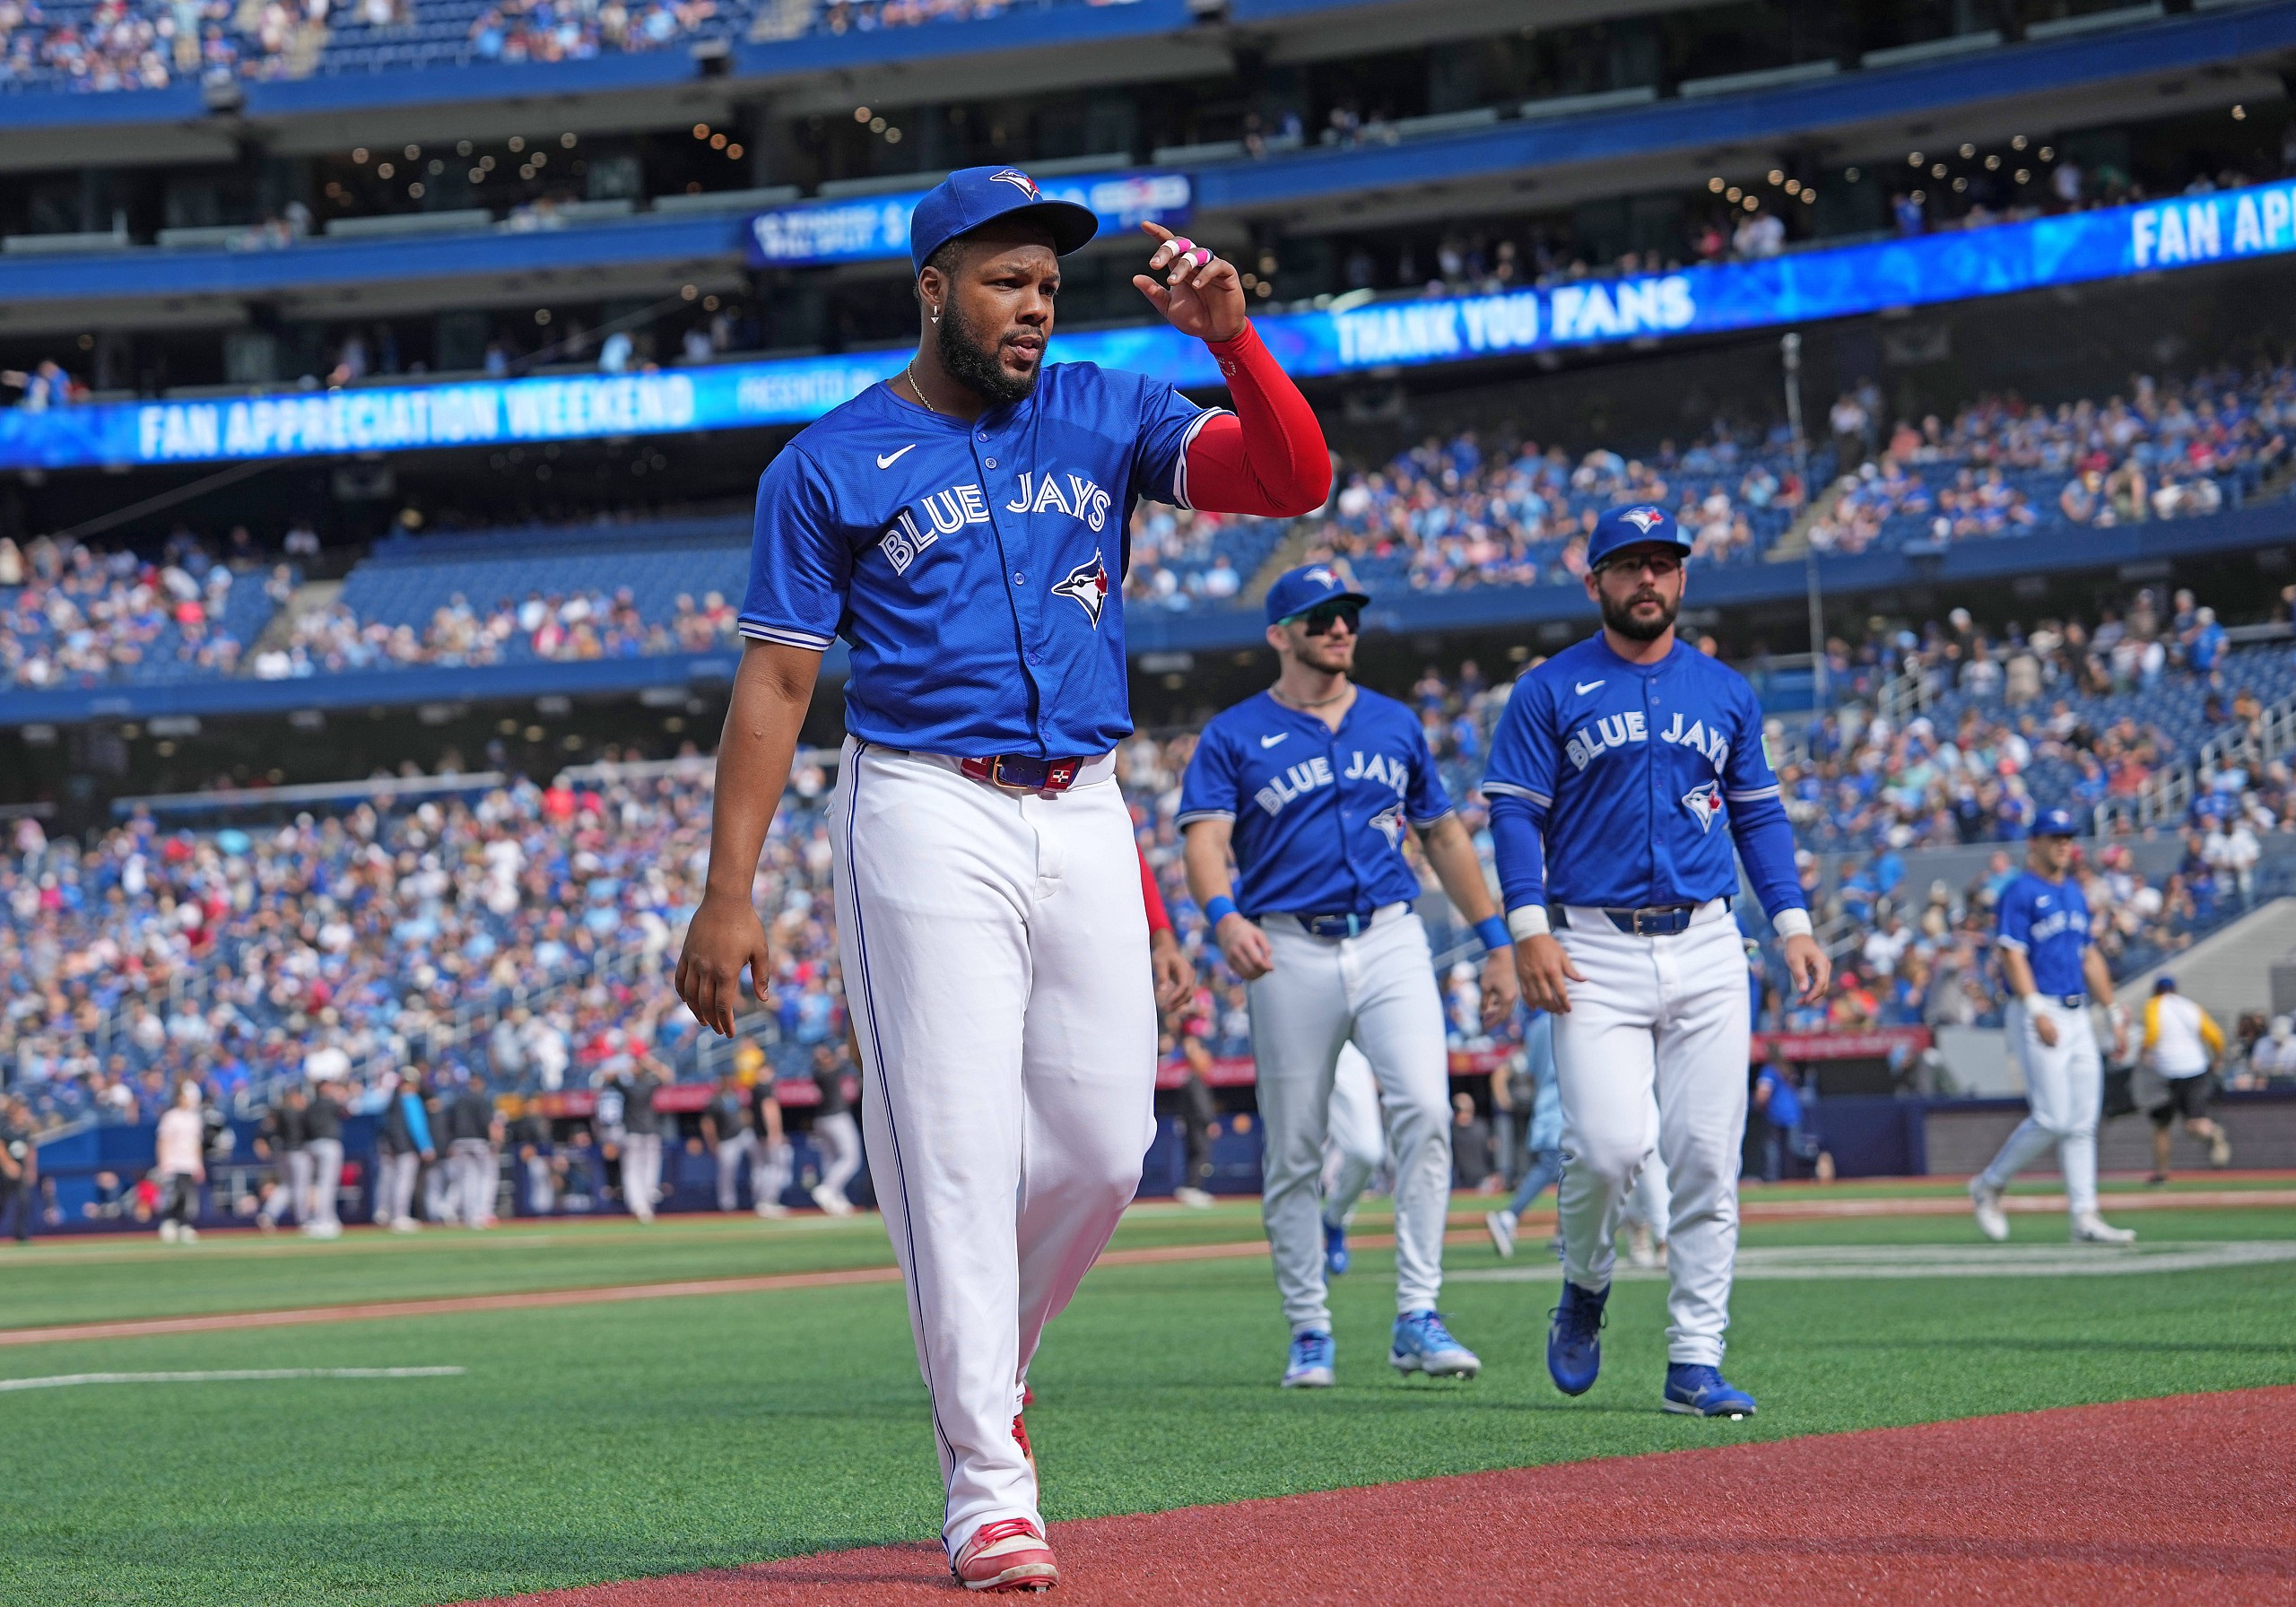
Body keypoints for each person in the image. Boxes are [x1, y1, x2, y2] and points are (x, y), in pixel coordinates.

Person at [674, 165, 1329, 1593]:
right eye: (1004, 280)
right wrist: (730, 889)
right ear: (933, 289)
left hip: (1082, 800)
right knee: (956, 1151)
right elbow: (777, 684)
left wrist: (1234, 342)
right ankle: (987, 1477)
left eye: (1047, 283)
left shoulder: (1105, 409)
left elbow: (1291, 480)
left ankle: (990, 1355)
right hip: (923, 805)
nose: (1034, 305)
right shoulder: (828, 463)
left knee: (1105, 1150)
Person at [1484, 502, 1830, 1419]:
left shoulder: (1724, 690)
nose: (1648, 579)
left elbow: (1757, 814)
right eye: (1629, 564)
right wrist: (1527, 925)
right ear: (1594, 580)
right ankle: (1585, 1283)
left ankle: (1694, 1359)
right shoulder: (1548, 688)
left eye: (1663, 563)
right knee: (1606, 1150)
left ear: (1681, 577)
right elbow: (1514, 812)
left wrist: (1792, 920)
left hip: (1710, 940)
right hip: (1592, 944)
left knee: (1707, 1159)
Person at [1179, 562, 1518, 1389]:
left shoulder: (1393, 722)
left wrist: (1496, 940)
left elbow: (1443, 836)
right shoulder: (1234, 733)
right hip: (1287, 945)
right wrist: (1224, 918)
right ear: (1280, 634)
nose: (1340, 628)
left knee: (1427, 1113)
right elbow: (1205, 842)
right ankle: (1309, 1327)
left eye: (1348, 616)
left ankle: (1418, 1314)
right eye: (1322, 616)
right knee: (1296, 1146)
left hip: (1392, 933)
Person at [1969, 810, 2137, 1246]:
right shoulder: (2020, 890)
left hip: (2078, 1013)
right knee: (2053, 1117)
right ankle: (1989, 1184)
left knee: (2082, 1123)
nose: (2064, 844)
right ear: (2035, 842)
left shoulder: (2074, 892)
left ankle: (2085, 1216)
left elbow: (2089, 956)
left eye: (2068, 837)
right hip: (2039, 1007)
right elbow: (2011, 953)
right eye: (2054, 837)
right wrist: (2035, 1008)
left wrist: (2113, 1012)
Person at [1485, 1011, 1560, 1258]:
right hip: (1561, 1108)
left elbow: (1524, 1069)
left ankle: (1565, 1232)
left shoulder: (1538, 1026)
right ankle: (1509, 1216)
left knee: (1569, 1171)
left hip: (1548, 1105)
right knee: (1553, 1167)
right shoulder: (1564, 1019)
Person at [2143, 975, 2231, 1181]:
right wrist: (2218, 1058)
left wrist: (2144, 1052)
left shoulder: (2154, 1005)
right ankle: (2212, 1132)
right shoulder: (2190, 1006)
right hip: (2196, 1068)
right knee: (2194, 1123)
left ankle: (2161, 1174)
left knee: (2161, 1126)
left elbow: (2153, 1032)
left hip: (2166, 1072)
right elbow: (2216, 1036)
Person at [1317, 1044, 1384, 1274]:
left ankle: (1334, 1219)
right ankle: (1304, 1257)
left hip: (1346, 1047)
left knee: (1367, 1152)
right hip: (1289, 1040)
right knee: (1292, 1156)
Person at [805, 1043, 862, 1217]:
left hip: (822, 1120)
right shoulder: (823, 1073)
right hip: (836, 1118)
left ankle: (836, 1197)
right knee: (851, 1158)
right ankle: (828, 1189)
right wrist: (840, 1054)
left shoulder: (821, 1071)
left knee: (831, 1160)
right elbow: (842, 1063)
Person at [375, 1073, 436, 1233]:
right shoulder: (410, 1099)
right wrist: (425, 1146)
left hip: (389, 1147)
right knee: (403, 1182)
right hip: (405, 1147)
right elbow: (417, 1126)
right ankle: (399, 1215)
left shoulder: (391, 1100)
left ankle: (384, 1213)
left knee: (388, 1180)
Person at [444, 1073, 501, 1228]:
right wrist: (494, 1143)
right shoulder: (482, 1100)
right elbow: (487, 1123)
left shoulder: (458, 1100)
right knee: (486, 1177)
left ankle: (470, 1216)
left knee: (468, 1180)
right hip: (479, 1142)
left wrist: (451, 1143)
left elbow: (449, 1124)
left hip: (459, 1143)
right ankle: (483, 1213)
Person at [154, 1079, 207, 1245]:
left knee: (188, 1196)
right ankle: (169, 1223)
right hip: (174, 1162)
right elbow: (163, 1140)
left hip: (189, 1163)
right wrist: (164, 1162)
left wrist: (199, 1164)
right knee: (174, 1195)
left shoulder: (194, 1119)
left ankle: (184, 1224)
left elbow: (196, 1143)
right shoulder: (171, 1117)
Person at [1170, 1035, 1220, 1209]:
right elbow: (1201, 1107)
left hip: (1194, 1126)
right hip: (1197, 1126)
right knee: (1199, 1155)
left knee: (1198, 1156)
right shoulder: (1193, 1081)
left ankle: (1194, 1188)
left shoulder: (1195, 1080)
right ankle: (1192, 1188)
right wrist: (1209, 1122)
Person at [255, 1085, 312, 1234]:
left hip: (281, 1152)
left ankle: (268, 1214)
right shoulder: (298, 1112)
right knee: (300, 1187)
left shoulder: (276, 1111)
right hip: (297, 1152)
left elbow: (265, 1129)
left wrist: (262, 1141)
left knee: (287, 1186)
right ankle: (303, 1220)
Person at [703, 1070, 759, 1212]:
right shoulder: (715, 1100)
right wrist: (712, 1142)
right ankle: (727, 1204)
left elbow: (744, 1114)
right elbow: (708, 1123)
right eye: (726, 1081)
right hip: (726, 1140)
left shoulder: (735, 1097)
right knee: (727, 1173)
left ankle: (760, 1197)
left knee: (760, 1156)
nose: (729, 1083)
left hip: (742, 1135)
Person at [618, 1057, 665, 1223]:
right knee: (639, 1169)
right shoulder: (630, 1086)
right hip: (637, 1133)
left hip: (642, 1132)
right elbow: (605, 1076)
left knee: (639, 1170)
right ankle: (641, 1205)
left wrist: (644, 1063)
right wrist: (648, 1063)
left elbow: (668, 1077)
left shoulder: (645, 1084)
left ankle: (643, 1204)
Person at [749, 1065, 795, 1218]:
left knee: (761, 1168)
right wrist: (775, 1132)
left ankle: (761, 1201)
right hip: (767, 1135)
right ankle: (768, 1201)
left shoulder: (755, 1088)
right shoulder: (764, 1088)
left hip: (758, 1134)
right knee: (775, 1167)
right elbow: (769, 1110)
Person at [304, 1079, 346, 1238]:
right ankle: (322, 1220)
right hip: (328, 1145)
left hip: (312, 1145)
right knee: (326, 1185)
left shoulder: (311, 1104)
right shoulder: (329, 1103)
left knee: (317, 1184)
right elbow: (347, 1111)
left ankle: (326, 1218)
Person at [0, 1094, 35, 1245]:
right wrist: (8, 1164)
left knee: (23, 1201)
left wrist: (30, 1169)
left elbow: (30, 1151)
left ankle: (21, 1235)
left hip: (20, 1173)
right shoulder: (5, 1129)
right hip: (4, 1173)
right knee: (2, 1203)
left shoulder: (25, 1131)